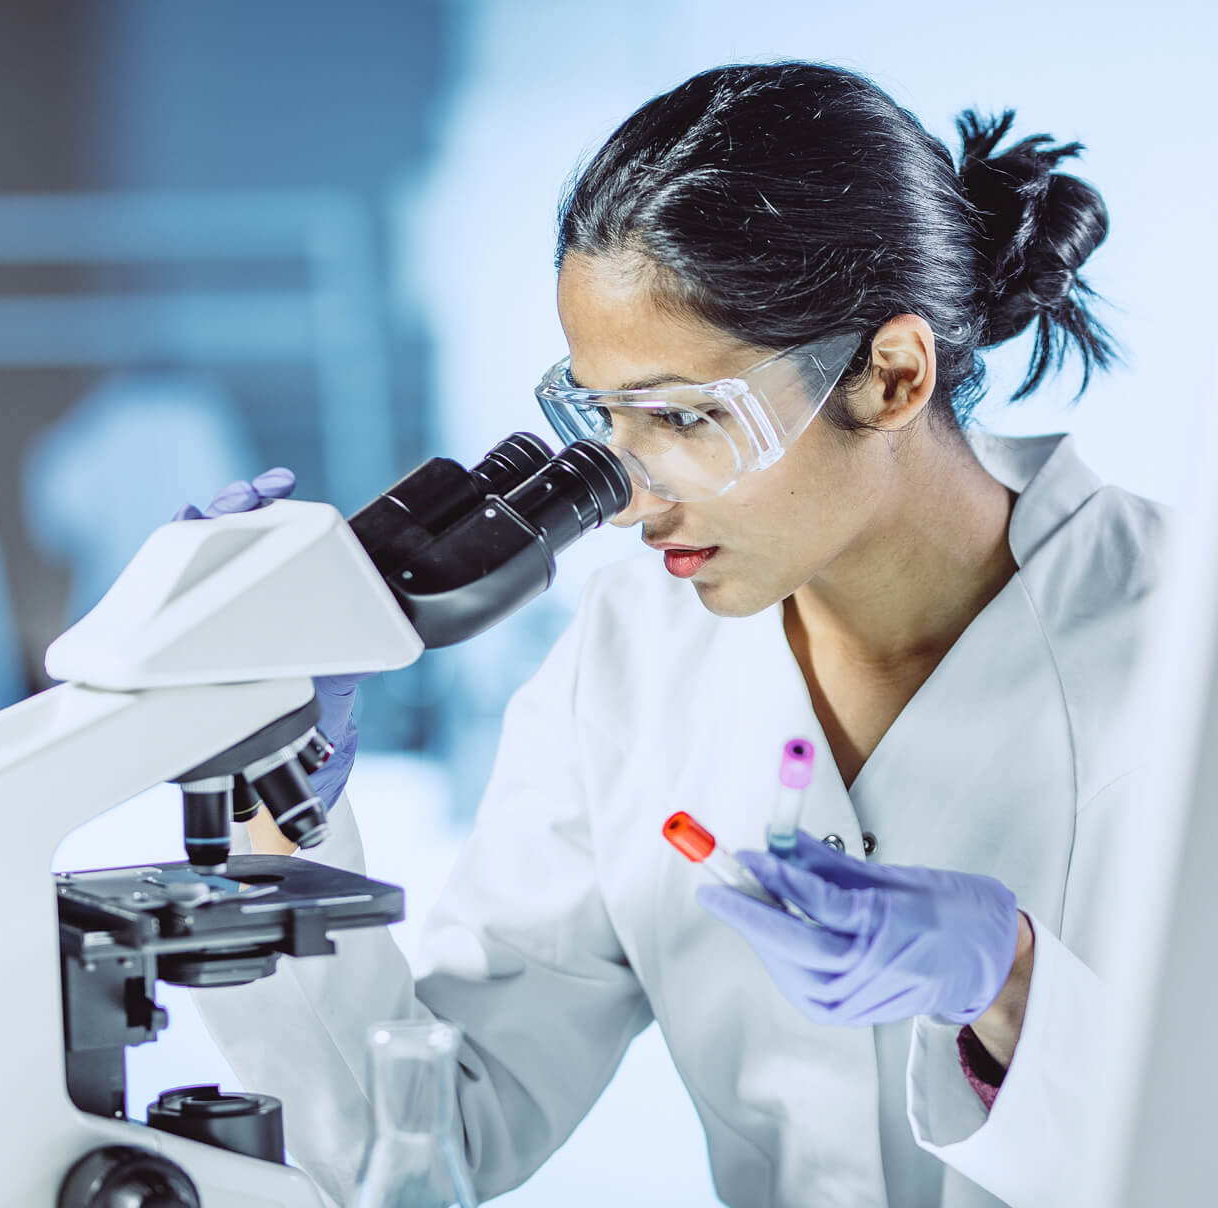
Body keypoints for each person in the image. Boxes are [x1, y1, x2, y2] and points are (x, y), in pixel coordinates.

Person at [191, 61, 1168, 1208]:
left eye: (688, 418)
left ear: (893, 375)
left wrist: (1012, 987)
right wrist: (269, 800)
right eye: (604, 421)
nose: (637, 499)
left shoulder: (1205, 638)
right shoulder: (628, 659)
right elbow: (421, 1133)